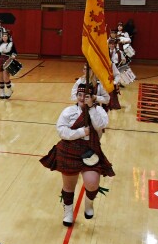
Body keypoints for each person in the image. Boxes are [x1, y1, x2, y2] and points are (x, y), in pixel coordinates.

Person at [40, 83, 114, 226]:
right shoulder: (68, 111)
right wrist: (80, 133)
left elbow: (100, 126)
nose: (82, 98)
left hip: (91, 150)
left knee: (92, 183)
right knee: (69, 186)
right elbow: (61, 131)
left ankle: (89, 203)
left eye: (86, 96)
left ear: (92, 97)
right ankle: (68, 212)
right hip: (69, 150)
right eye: (80, 95)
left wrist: (91, 108)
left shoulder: (99, 111)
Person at [0, 31, 18, 99]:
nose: (4, 37)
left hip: (8, 60)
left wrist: (13, 56)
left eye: (5, 36)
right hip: (0, 60)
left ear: (8, 37)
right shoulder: (0, 44)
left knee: (6, 78)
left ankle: (10, 90)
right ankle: (2, 92)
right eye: (3, 36)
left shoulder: (11, 44)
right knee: (1, 78)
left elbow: (15, 52)